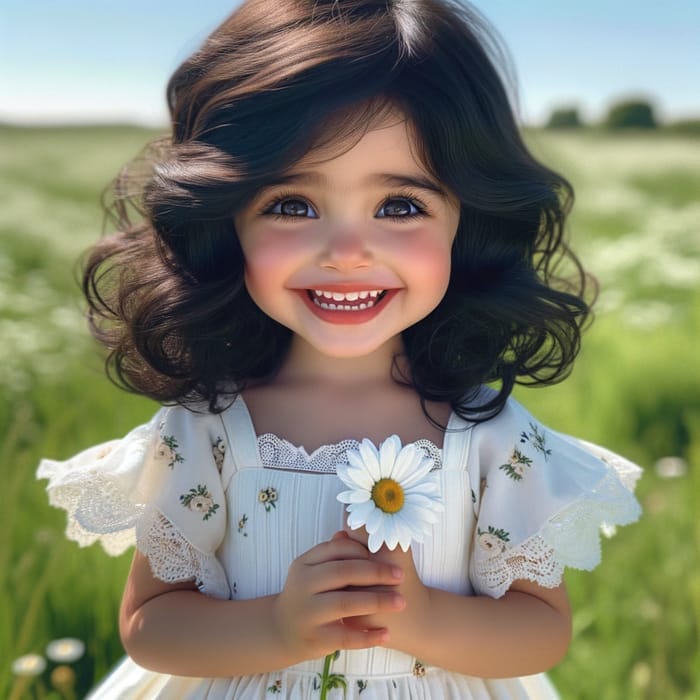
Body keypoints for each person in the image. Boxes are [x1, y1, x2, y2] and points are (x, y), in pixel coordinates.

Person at [37, 0, 642, 697]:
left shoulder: (486, 433)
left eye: (400, 206)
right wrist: (278, 629)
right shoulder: (207, 429)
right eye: (292, 205)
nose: (348, 253)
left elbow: (541, 628)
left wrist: (421, 619)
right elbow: (150, 623)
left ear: (466, 223)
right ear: (225, 218)